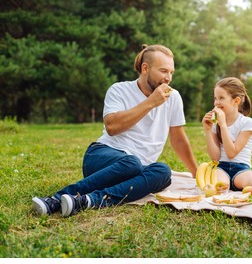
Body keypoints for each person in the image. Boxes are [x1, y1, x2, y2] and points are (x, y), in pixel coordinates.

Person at [32, 44, 198, 217]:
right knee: (132, 163)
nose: (168, 78)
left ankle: (87, 201)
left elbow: (178, 138)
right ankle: (54, 200)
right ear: (145, 68)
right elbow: (112, 127)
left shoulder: (174, 97)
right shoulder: (119, 90)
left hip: (138, 168)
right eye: (164, 71)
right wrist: (150, 103)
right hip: (102, 158)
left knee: (163, 172)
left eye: (171, 72)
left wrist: (196, 173)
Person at [202, 77, 252, 191]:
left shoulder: (247, 123)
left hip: (241, 169)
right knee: (220, 186)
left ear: (236, 101)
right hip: (220, 167)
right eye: (215, 98)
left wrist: (223, 125)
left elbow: (231, 153)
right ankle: (225, 185)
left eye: (221, 98)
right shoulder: (215, 123)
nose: (216, 103)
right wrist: (208, 130)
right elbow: (215, 157)